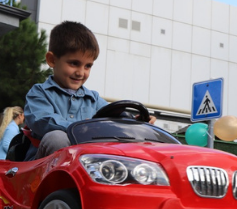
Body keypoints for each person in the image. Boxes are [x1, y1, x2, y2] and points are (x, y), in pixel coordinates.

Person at [24, 21, 155, 160]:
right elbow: (42, 121)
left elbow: (115, 115)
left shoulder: (93, 99)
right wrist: (82, 128)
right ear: (52, 60)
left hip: (85, 164)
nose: (81, 73)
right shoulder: (39, 93)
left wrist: (135, 121)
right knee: (57, 138)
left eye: (87, 66)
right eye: (74, 63)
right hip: (41, 167)